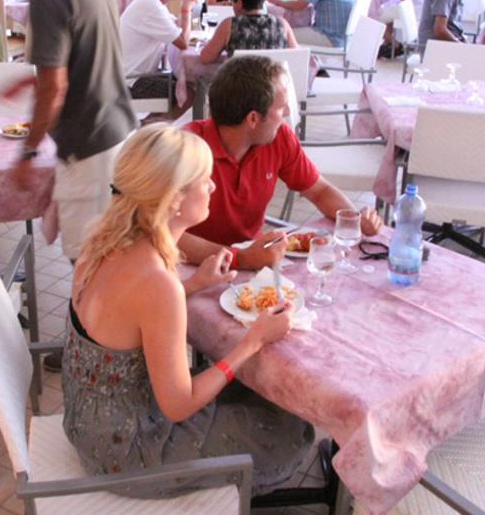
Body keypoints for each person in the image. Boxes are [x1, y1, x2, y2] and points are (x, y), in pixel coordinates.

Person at [62, 123, 313, 498]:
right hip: (129, 452)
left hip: (89, 421)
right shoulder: (156, 282)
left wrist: (194, 284)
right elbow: (178, 406)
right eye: (205, 179)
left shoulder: (101, 241)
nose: (212, 187)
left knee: (259, 393)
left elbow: (127, 313)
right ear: (174, 198)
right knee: (288, 427)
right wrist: (252, 341)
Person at [4, 0, 137, 372]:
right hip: (118, 129)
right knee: (107, 250)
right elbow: (82, 61)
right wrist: (29, 83)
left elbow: (56, 87)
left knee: (88, 256)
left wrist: (28, 150)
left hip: (90, 141)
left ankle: (91, 352)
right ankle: (101, 342)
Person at [179, 56, 382, 270]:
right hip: (190, 267)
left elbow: (319, 191)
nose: (287, 113)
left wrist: (353, 220)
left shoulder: (279, 138)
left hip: (252, 260)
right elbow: (164, 234)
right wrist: (241, 258)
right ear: (253, 119)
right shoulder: (184, 150)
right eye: (281, 107)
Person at [119, 0, 196, 101]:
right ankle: (158, 116)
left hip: (134, 74)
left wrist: (185, 9)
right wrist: (186, 10)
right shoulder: (150, 6)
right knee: (188, 94)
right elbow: (183, 43)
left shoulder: (151, 1)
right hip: (130, 81)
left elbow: (175, 25)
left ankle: (158, 114)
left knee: (187, 83)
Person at [200, 0, 297, 64]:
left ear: (239, 3)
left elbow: (205, 58)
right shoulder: (282, 24)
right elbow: (296, 57)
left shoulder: (229, 25)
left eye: (232, 2)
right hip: (273, 76)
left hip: (239, 77)